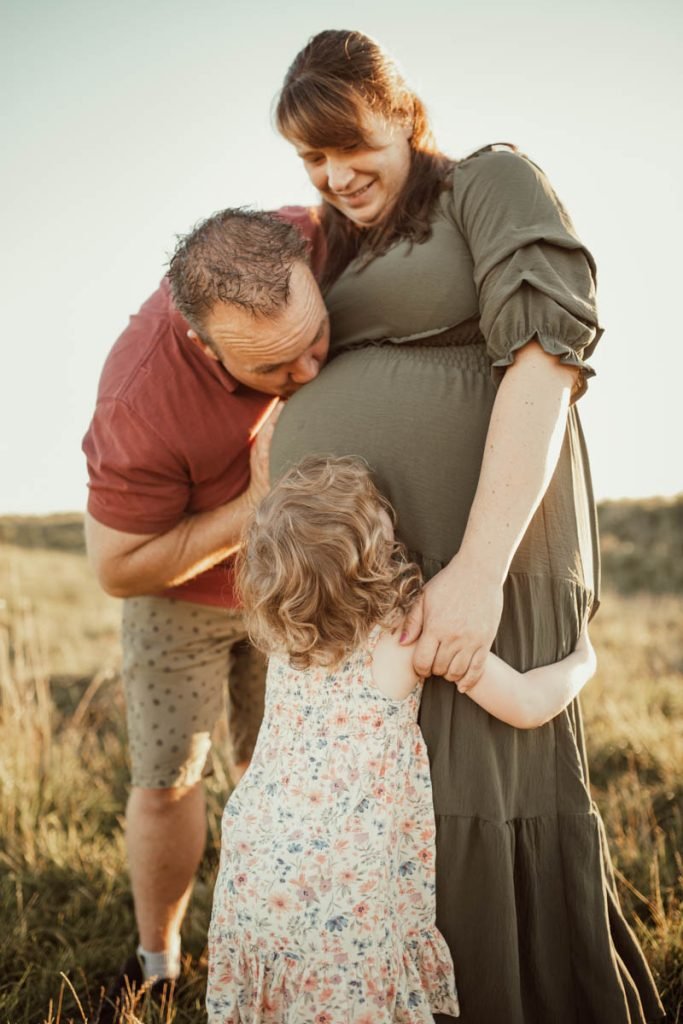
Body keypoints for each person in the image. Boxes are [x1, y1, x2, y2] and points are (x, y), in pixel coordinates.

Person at [267, 29, 664, 1024]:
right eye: (309, 156)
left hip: (484, 554)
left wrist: (478, 568)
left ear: (401, 113)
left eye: (348, 143)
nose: (332, 173)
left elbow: (544, 358)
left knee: (475, 806)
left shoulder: (486, 183)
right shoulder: (337, 242)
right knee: (376, 821)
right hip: (358, 588)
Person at [206, 455, 598, 1024]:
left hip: (258, 862)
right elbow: (530, 705)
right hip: (344, 886)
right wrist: (583, 659)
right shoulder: (405, 636)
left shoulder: (284, 642)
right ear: (376, 558)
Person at [82, 207, 329, 1012]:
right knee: (168, 782)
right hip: (177, 596)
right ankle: (158, 964)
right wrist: (254, 505)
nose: (311, 374)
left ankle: (289, 943)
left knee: (287, 776)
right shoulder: (137, 398)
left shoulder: (312, 233)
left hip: (293, 583)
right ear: (204, 346)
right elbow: (116, 569)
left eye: (314, 341)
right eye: (275, 369)